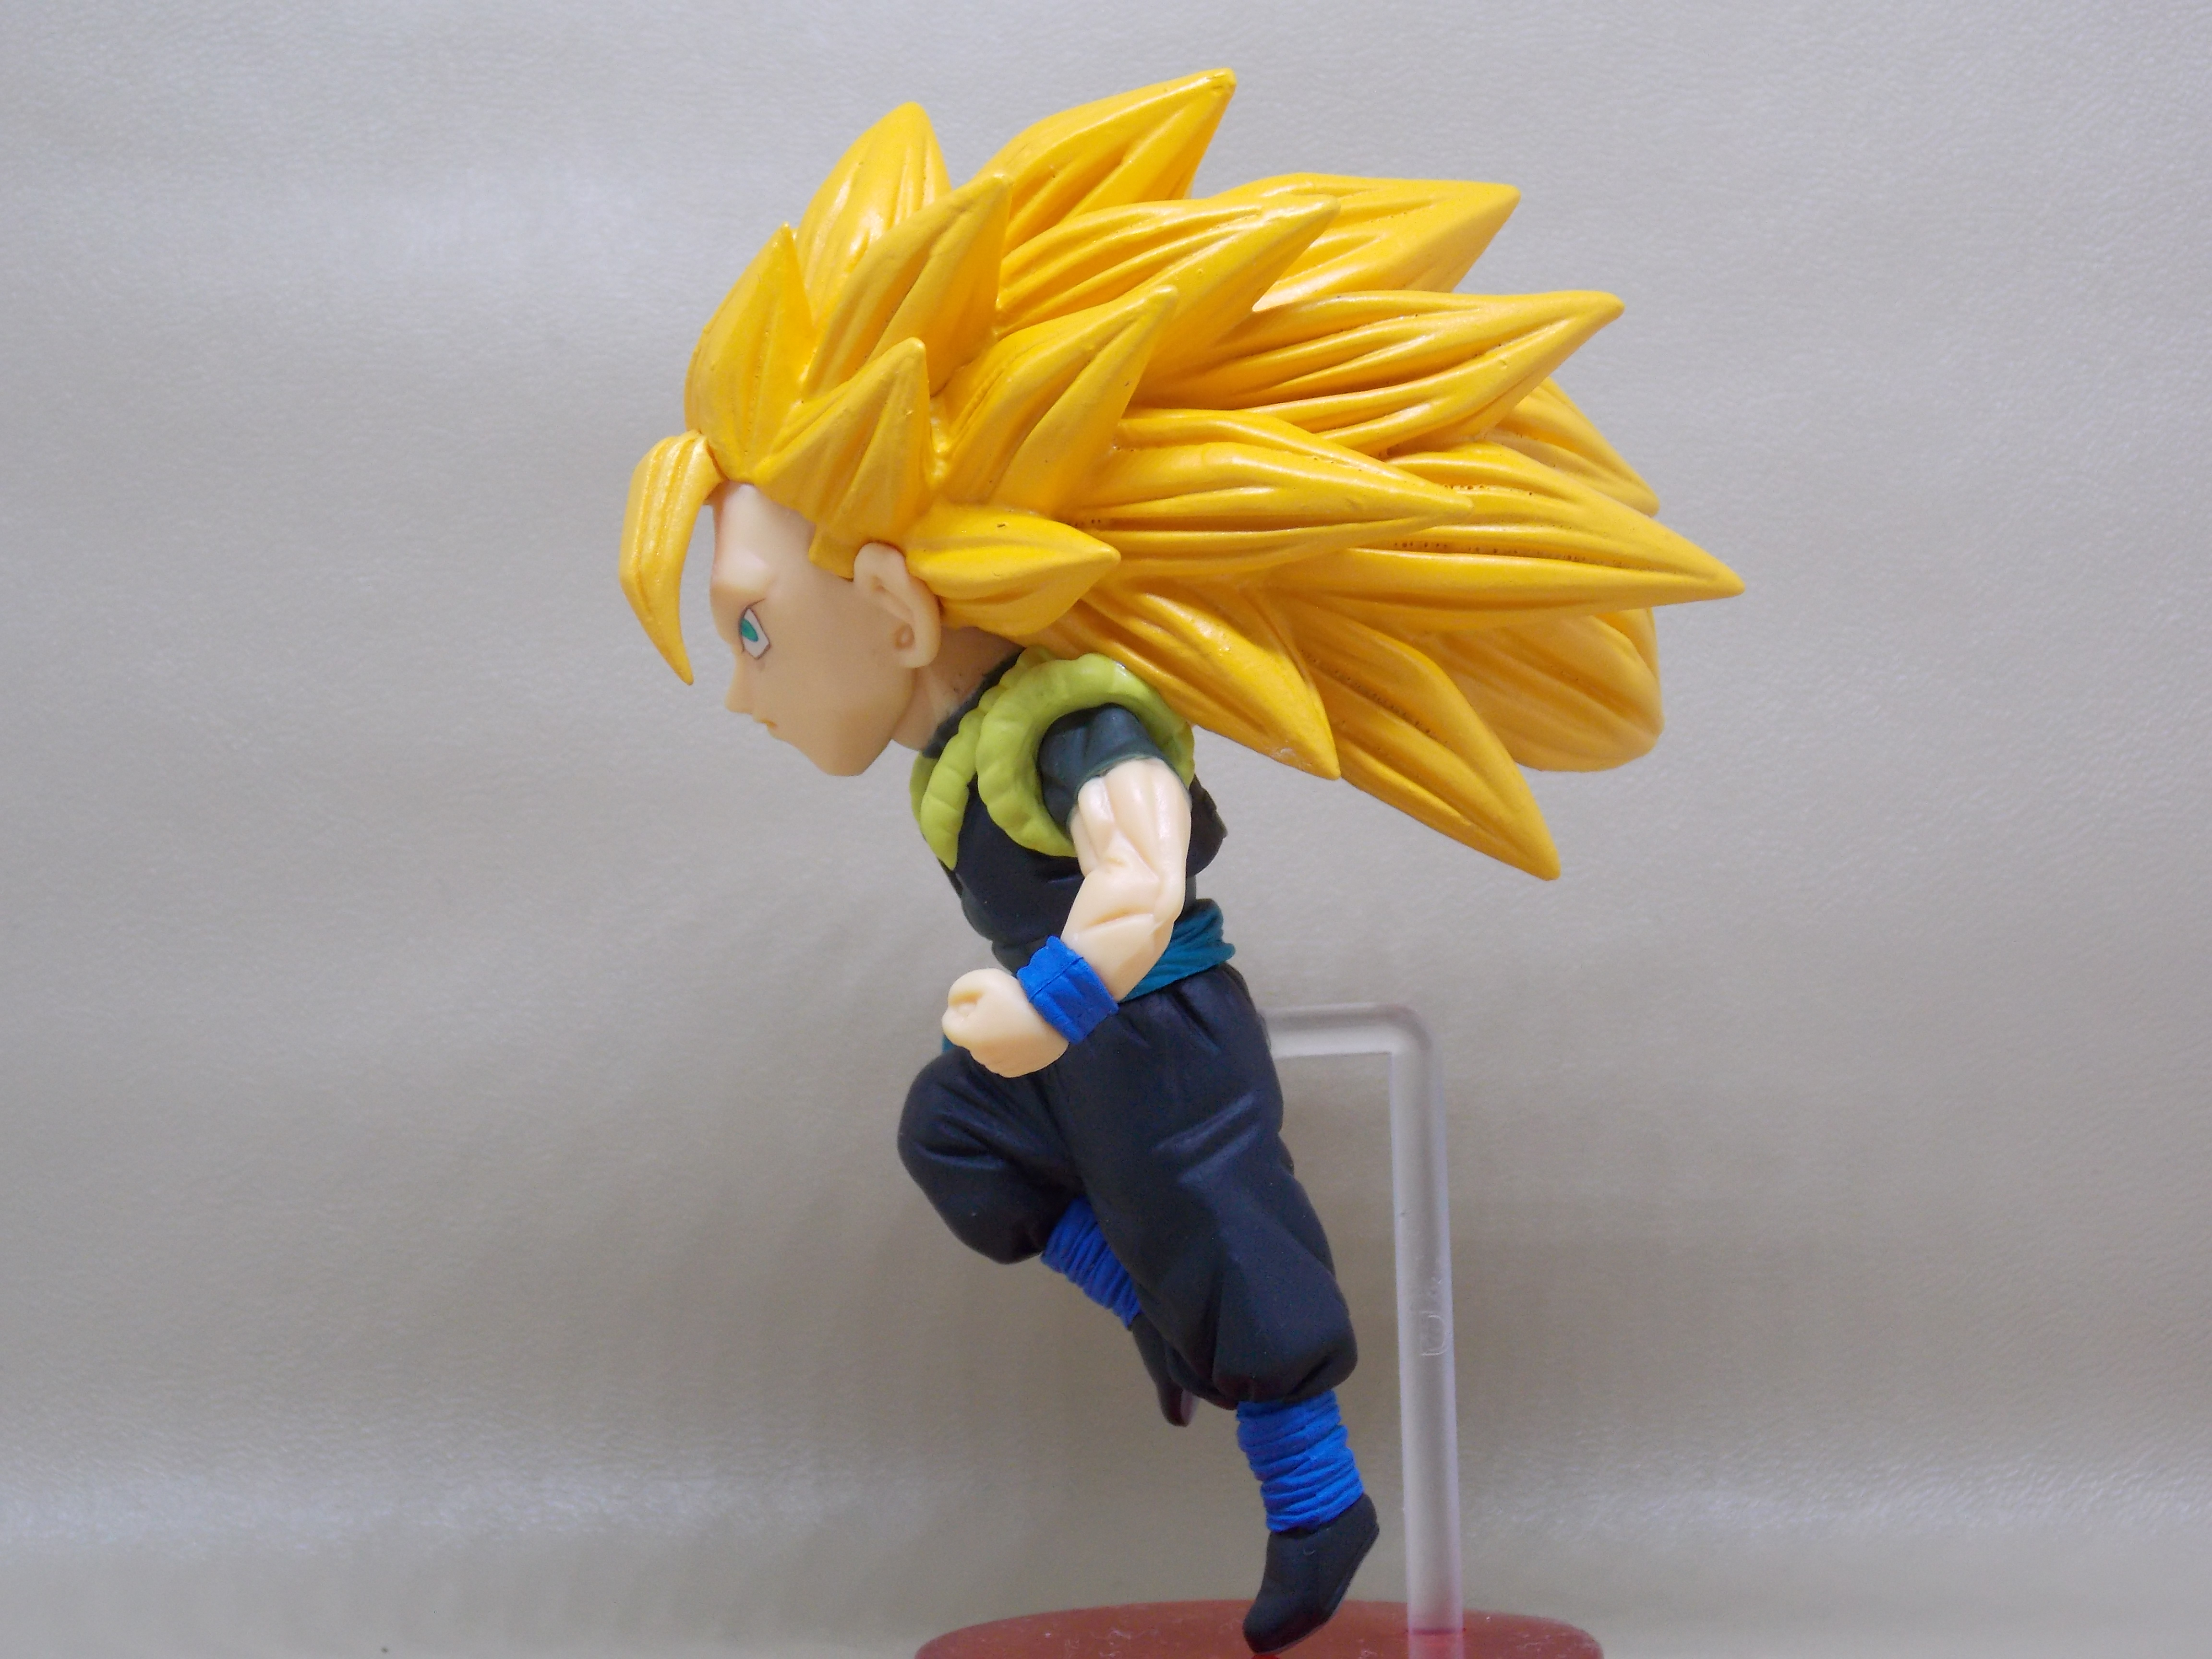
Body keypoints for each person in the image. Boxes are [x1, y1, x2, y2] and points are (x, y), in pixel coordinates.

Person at [617, 69, 1739, 1654]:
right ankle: (1155, 1306)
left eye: (752, 631)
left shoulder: (1077, 720)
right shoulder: (968, 735)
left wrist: (1052, 1001)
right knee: (957, 1140)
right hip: (1076, 1036)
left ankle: (1317, 1501)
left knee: (1232, 1252)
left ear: (892, 608)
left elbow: (1141, 883)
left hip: (1158, 1028)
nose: (743, 690)